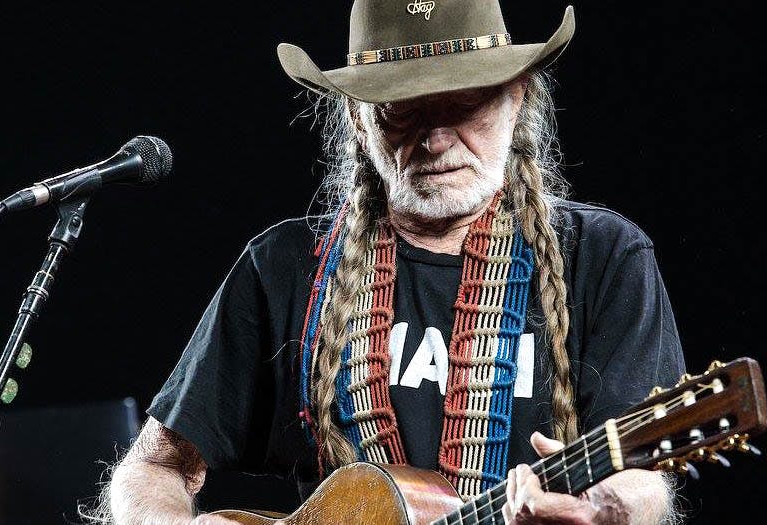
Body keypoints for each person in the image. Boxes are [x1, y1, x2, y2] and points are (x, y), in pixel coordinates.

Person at [103, 2, 685, 523]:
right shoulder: (283, 268)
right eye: (400, 109)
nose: (435, 137)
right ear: (358, 120)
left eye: (465, 100)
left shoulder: (605, 258)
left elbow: (642, 476)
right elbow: (150, 470)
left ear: (520, 96)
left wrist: (610, 511)